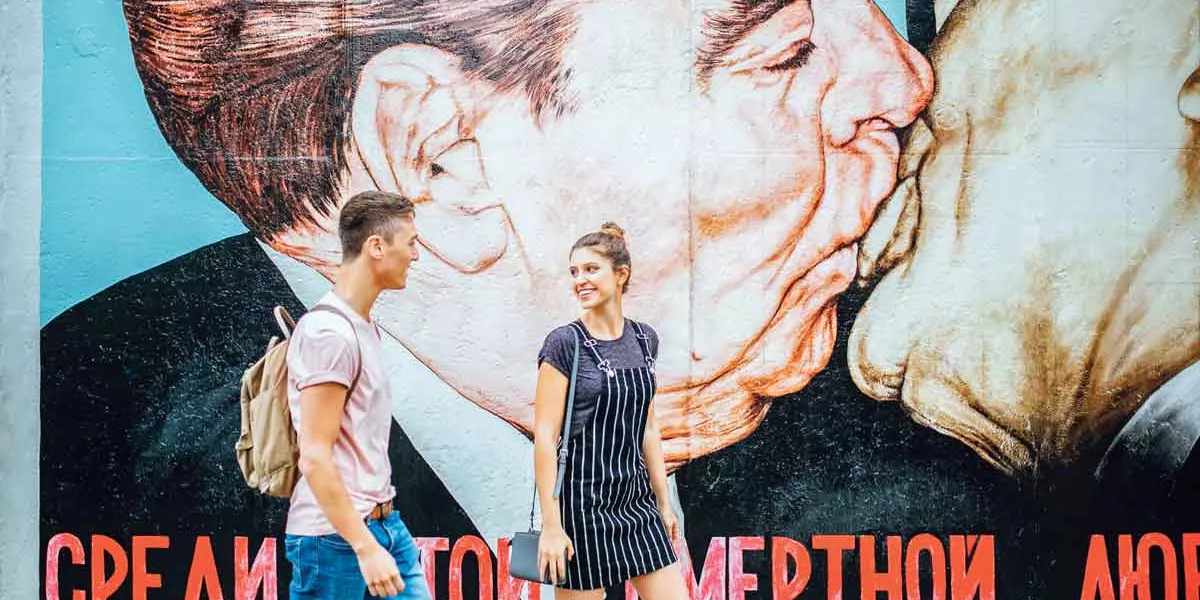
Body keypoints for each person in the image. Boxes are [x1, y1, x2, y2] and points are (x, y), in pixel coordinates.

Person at [283, 191, 431, 599]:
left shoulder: (360, 326)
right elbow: (314, 456)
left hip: (384, 523)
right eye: (411, 243)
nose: (416, 255)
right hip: (333, 539)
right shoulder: (329, 334)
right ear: (376, 246)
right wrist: (364, 547)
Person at [533, 223, 686, 600]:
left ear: (621, 275)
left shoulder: (645, 339)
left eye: (591, 269)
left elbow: (648, 429)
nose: (580, 280)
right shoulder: (564, 343)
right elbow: (545, 437)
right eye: (574, 272)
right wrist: (551, 526)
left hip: (637, 504)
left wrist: (664, 503)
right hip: (581, 510)